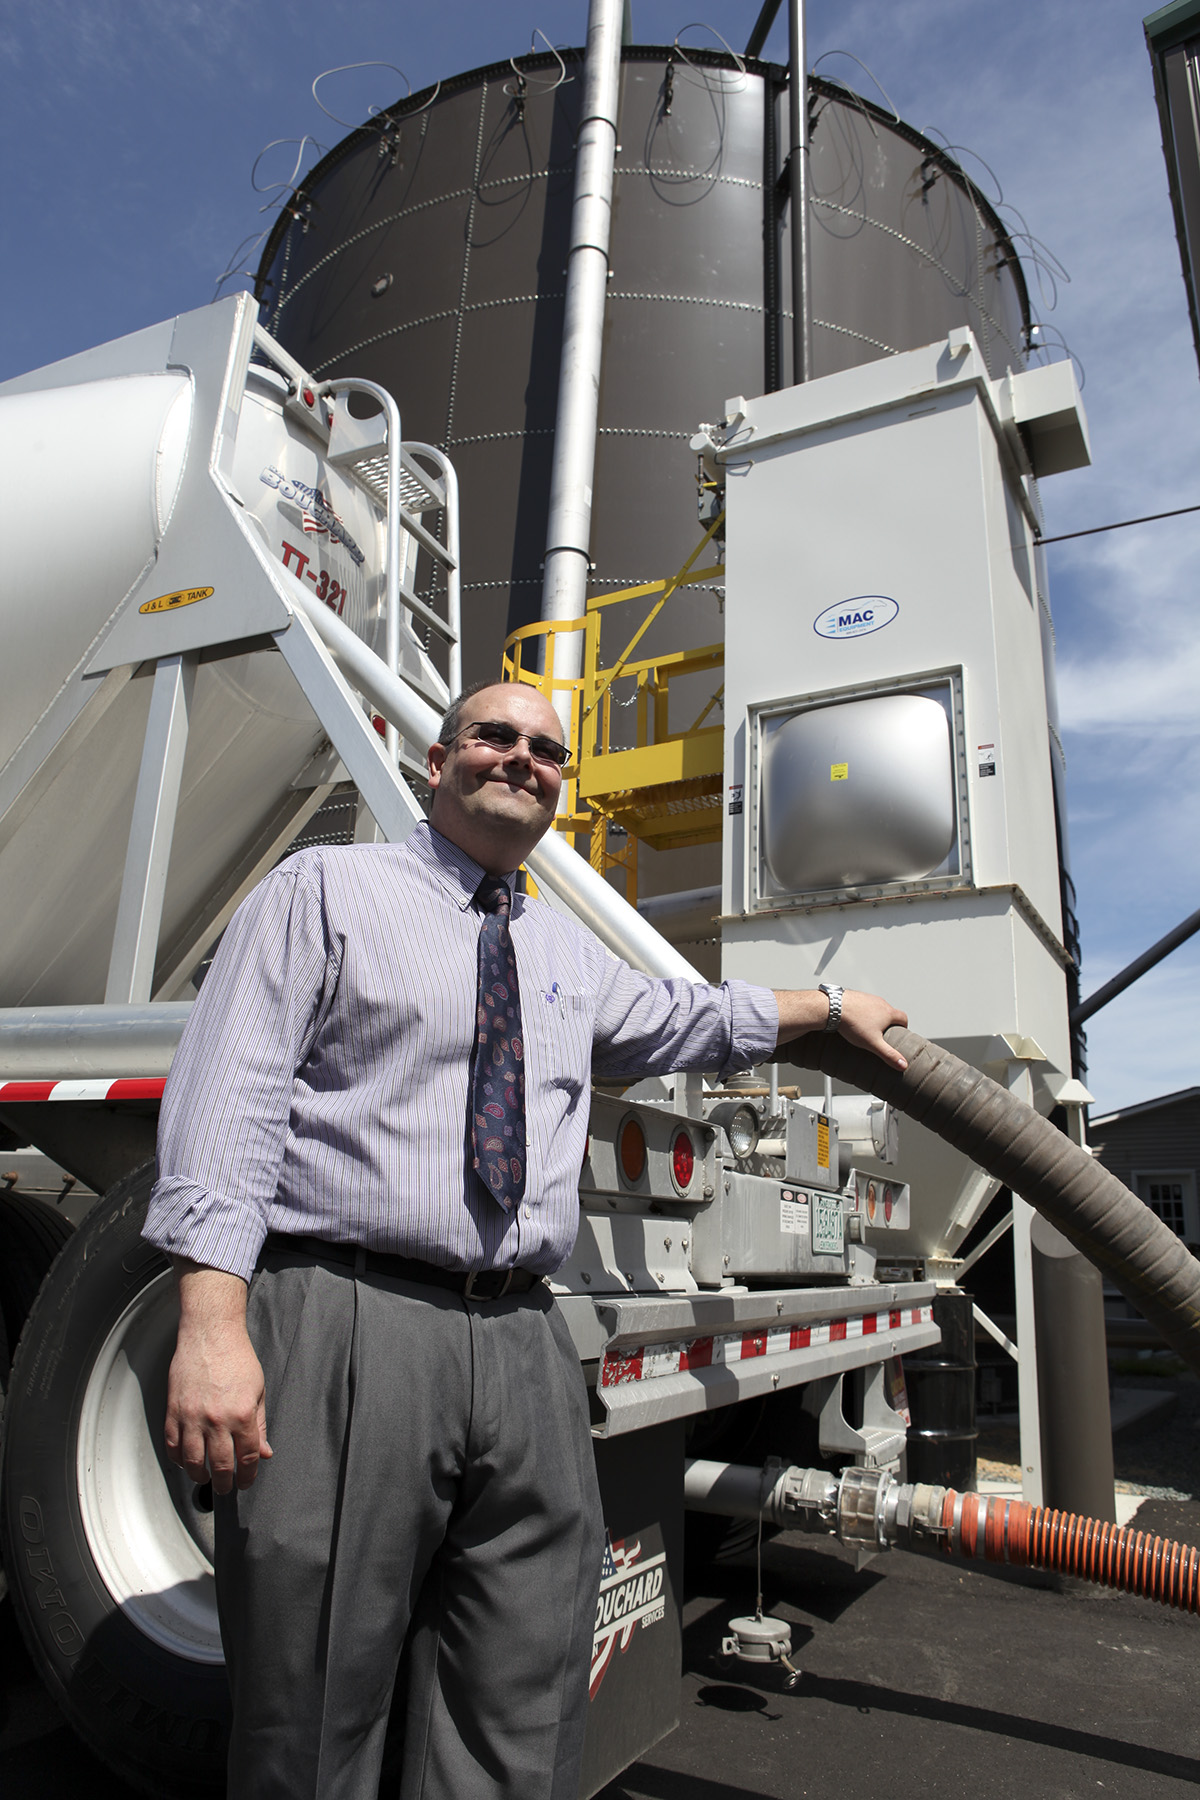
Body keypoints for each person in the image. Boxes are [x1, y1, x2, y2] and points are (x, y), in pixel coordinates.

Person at [143, 678, 908, 1800]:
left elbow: (681, 1019)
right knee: (315, 1696)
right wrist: (212, 1328)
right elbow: (228, 1104)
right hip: (356, 1322)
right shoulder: (325, 891)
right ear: (440, 760)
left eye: (546, 751)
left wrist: (829, 1006)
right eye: (495, 737)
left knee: (526, 1680)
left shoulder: (559, 948)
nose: (521, 759)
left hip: (523, 1343)